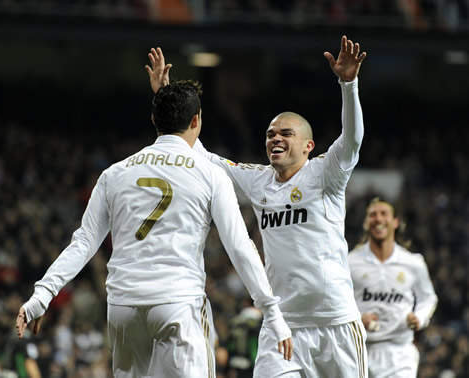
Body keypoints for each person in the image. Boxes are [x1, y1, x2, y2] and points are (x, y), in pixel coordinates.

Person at [16, 79, 293, 377]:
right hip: (178, 303)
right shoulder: (210, 174)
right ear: (196, 120)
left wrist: (42, 295)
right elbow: (239, 246)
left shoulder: (114, 173)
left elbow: (83, 242)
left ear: (153, 121)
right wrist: (272, 312)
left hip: (123, 307)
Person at [146, 35, 368, 377]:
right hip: (283, 324)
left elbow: (352, 139)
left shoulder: (326, 173)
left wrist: (348, 84)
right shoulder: (258, 179)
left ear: (309, 145)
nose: (275, 138)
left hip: (335, 321)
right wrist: (166, 98)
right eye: (269, 134)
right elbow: (203, 159)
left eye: (285, 133)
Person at [348, 197, 438, 378]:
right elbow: (337, 301)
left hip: (399, 352)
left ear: (396, 222)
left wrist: (419, 317)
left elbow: (428, 298)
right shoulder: (350, 262)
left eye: (384, 213)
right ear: (366, 223)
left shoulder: (413, 263)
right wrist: (357, 319)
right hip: (359, 350)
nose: (378, 219)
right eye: (373, 215)